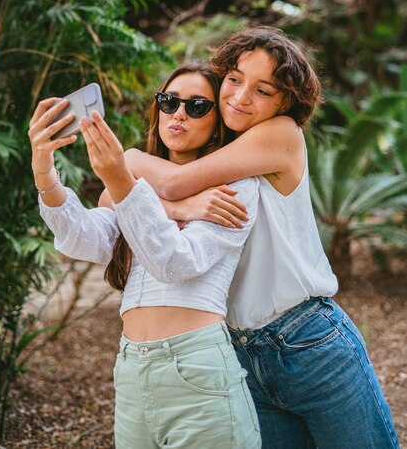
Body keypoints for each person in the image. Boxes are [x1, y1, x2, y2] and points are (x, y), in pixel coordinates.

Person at [121, 27, 400, 449]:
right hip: (238, 353)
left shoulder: (280, 135)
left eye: (263, 90)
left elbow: (168, 185)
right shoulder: (214, 154)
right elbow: (114, 197)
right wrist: (175, 208)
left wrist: (128, 159)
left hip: (310, 342)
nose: (240, 96)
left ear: (287, 101)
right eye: (234, 79)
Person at [28, 63, 261, 449]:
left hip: (198, 369)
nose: (179, 113)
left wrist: (121, 180)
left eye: (197, 106)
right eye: (169, 102)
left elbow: (175, 262)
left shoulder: (236, 185)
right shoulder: (140, 187)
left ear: (219, 123)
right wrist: (44, 171)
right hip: (132, 369)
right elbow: (81, 238)